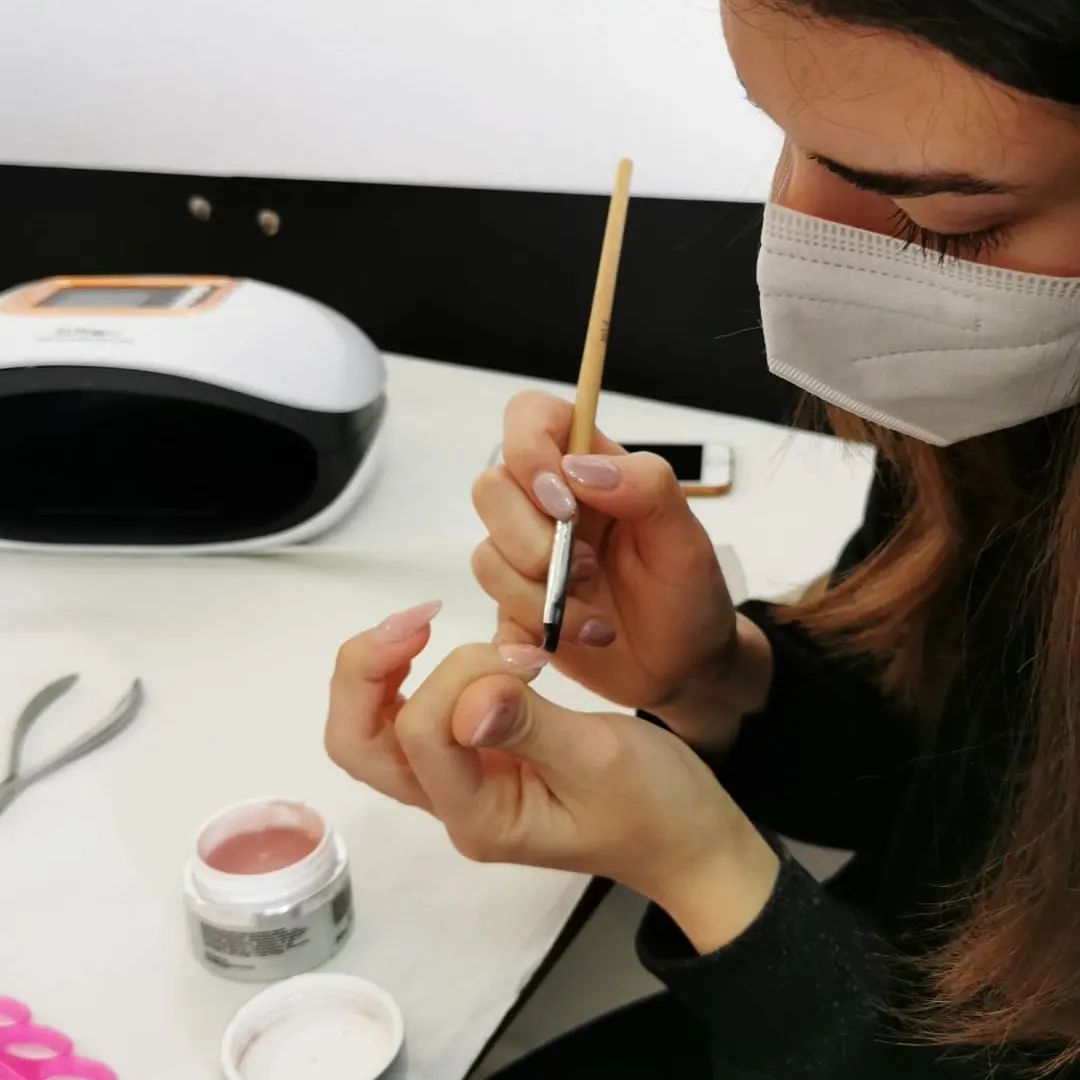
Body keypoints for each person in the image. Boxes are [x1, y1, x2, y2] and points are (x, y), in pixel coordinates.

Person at [324, 1, 1080, 1075]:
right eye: (785, 136)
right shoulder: (1012, 414)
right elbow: (949, 774)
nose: (802, 237)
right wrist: (718, 679)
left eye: (939, 220)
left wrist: (707, 873)